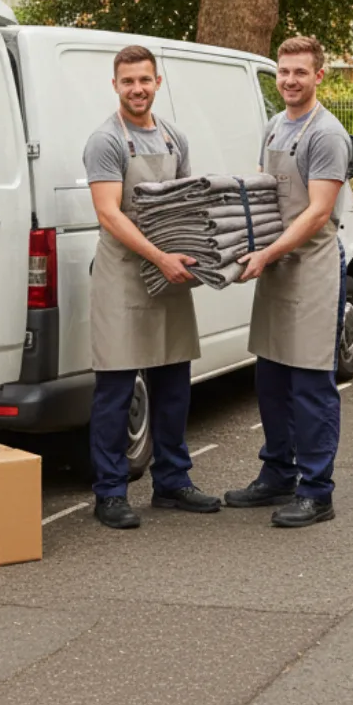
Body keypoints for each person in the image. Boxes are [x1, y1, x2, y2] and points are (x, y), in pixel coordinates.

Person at [83, 45, 222, 529]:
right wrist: (159, 257)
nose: (137, 89)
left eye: (144, 80)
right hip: (124, 275)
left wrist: (196, 256)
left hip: (169, 275)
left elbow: (183, 205)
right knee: (116, 389)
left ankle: (173, 482)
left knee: (173, 386)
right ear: (115, 85)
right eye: (128, 82)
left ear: (157, 83)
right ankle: (111, 492)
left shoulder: (173, 137)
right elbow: (108, 213)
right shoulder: (105, 142)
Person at [227, 35, 351, 528]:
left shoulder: (326, 135)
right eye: (284, 72)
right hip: (276, 264)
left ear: (319, 75)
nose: (290, 81)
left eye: (301, 72)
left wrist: (269, 253)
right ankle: (278, 473)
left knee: (310, 383)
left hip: (312, 267)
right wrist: (239, 241)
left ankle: (317, 491)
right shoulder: (275, 126)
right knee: (271, 378)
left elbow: (319, 212)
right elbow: (263, 190)